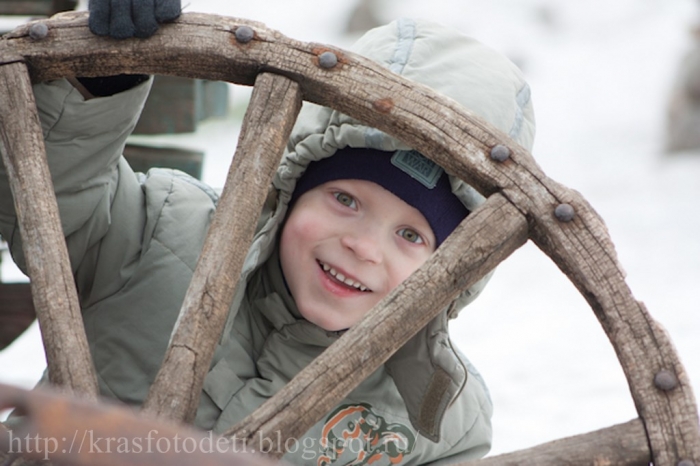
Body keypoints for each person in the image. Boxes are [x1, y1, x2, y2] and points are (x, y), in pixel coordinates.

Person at [0, 2, 535, 464]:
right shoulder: (156, 232)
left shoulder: (437, 419)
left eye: (411, 235)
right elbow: (52, 197)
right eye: (345, 200)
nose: (363, 246)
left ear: (457, 267)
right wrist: (101, 78)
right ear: (292, 184)